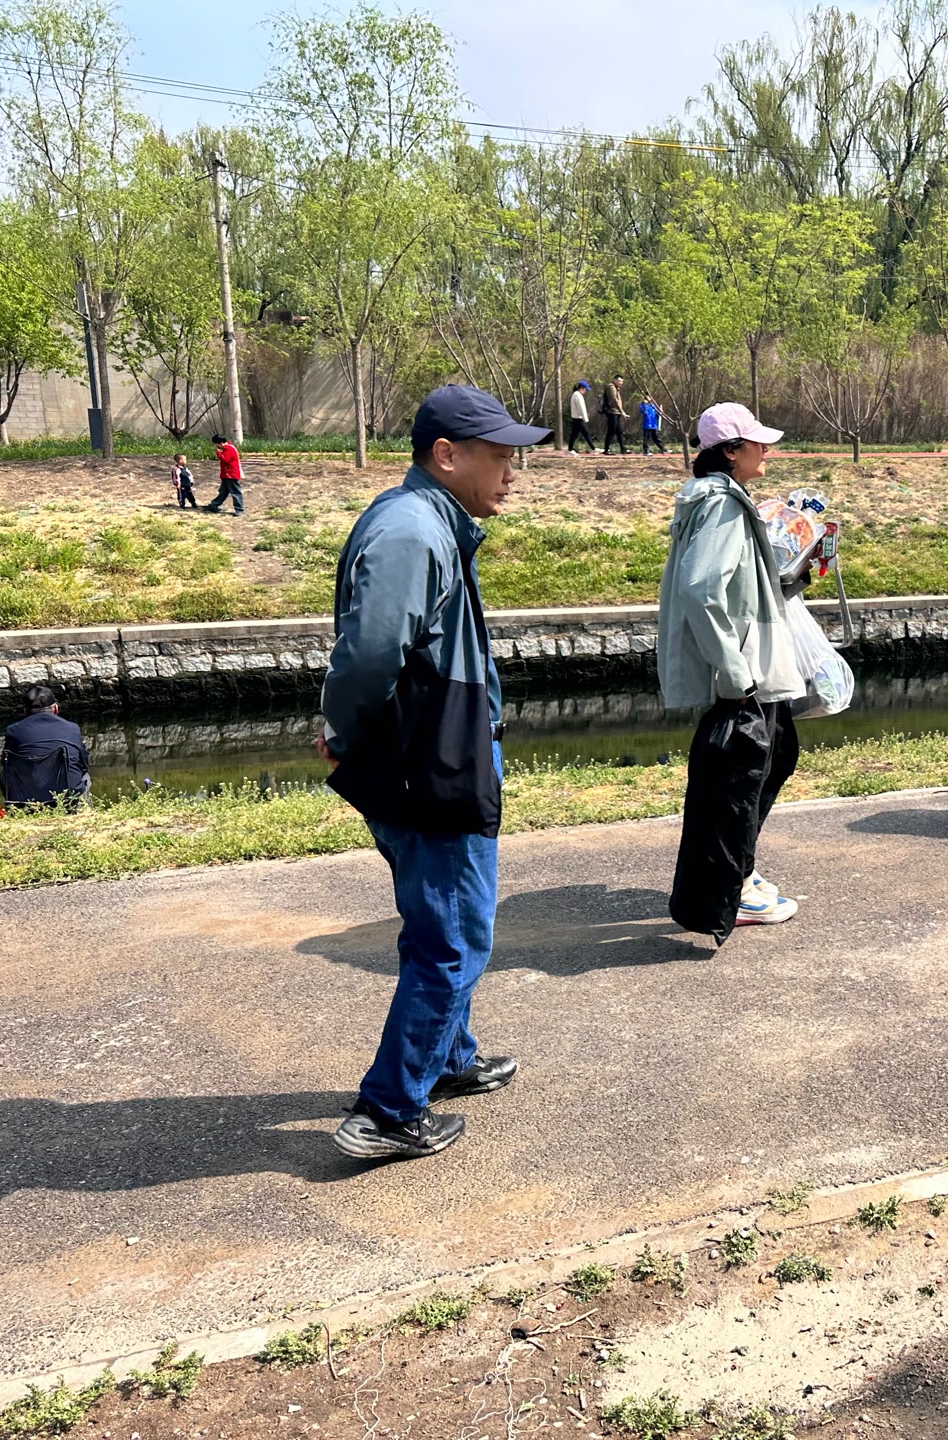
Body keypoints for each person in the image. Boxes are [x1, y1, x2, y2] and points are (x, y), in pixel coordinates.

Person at [318, 384, 552, 1161]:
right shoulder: (414, 531)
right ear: (446, 455)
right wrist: (344, 733)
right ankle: (389, 1111)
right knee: (453, 937)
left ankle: (448, 1057)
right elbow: (369, 654)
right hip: (431, 763)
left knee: (437, 921)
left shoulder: (427, 520)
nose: (512, 472)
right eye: (500, 456)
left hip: (436, 754)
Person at [657, 401, 806, 941]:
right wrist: (735, 673)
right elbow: (702, 588)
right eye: (757, 442)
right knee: (742, 776)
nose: (767, 450)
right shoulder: (721, 504)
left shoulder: (720, 500)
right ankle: (734, 886)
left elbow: (738, 583)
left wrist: (799, 570)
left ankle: (739, 869)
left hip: (751, 665)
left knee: (771, 758)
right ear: (730, 451)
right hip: (747, 671)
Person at [0, 685, 90, 808]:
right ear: (56, 708)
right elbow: (83, 764)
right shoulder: (72, 728)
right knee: (85, 776)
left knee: (4, 774)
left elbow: (6, 764)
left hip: (24, 801)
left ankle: (15, 808)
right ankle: (82, 809)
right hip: (66, 801)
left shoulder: (13, 731)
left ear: (25, 711)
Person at [206, 434, 245, 515]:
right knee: (223, 492)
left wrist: (218, 453)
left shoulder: (229, 449)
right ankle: (214, 505)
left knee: (235, 492)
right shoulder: (228, 448)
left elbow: (225, 459)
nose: (216, 446)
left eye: (216, 444)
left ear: (220, 443)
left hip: (231, 474)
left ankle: (239, 509)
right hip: (227, 474)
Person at [600, 375, 628, 455]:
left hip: (617, 412)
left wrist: (621, 411)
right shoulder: (611, 387)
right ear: (615, 380)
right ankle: (606, 449)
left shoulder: (616, 388)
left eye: (622, 381)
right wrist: (622, 412)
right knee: (611, 431)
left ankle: (623, 449)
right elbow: (614, 401)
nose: (621, 383)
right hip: (612, 412)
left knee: (619, 432)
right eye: (619, 381)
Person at [566, 381, 594, 453]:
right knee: (586, 433)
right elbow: (581, 408)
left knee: (574, 435)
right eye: (585, 389)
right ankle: (593, 448)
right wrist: (586, 419)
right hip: (579, 418)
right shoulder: (578, 395)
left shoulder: (575, 394)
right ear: (581, 388)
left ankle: (570, 449)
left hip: (575, 418)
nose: (585, 391)